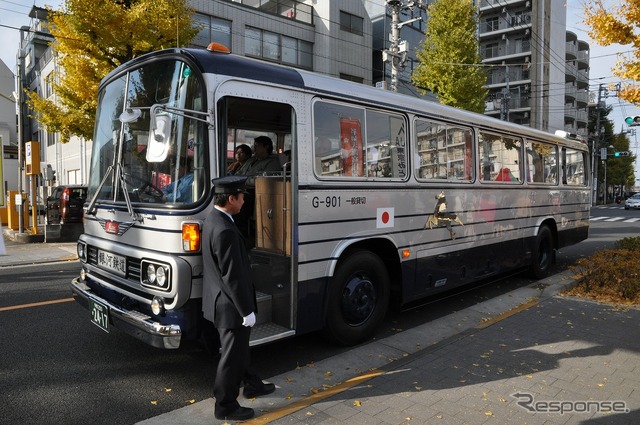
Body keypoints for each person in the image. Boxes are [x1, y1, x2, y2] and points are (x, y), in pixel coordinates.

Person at [202, 175, 275, 421]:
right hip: (231, 307)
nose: (245, 201)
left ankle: (252, 382)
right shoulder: (225, 230)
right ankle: (225, 405)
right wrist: (246, 310)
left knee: (238, 349)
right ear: (231, 199)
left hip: (219, 301)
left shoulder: (213, 219)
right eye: (242, 196)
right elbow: (233, 276)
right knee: (231, 358)